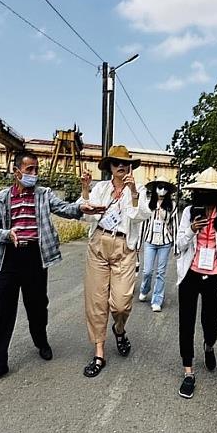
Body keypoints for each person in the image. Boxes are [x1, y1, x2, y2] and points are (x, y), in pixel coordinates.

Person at [0, 151, 104, 386]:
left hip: (35, 257)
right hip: (9, 257)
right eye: (29, 170)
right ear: (16, 172)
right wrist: (7, 235)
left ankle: (41, 340)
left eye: (36, 170)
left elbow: (65, 209)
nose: (34, 175)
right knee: (1, 312)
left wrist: (82, 209)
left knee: (37, 306)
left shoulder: (44, 195)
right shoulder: (2, 198)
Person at [80, 145, 151, 377]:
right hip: (99, 243)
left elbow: (140, 215)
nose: (121, 166)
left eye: (125, 163)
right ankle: (99, 352)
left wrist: (132, 193)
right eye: (116, 163)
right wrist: (85, 189)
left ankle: (119, 329)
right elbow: (85, 215)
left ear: (130, 166)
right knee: (96, 301)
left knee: (121, 303)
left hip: (123, 247)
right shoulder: (101, 188)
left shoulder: (139, 189)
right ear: (109, 166)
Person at [175, 168, 217, 399]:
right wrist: (192, 230)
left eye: (211, 192)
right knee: (186, 323)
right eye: (203, 191)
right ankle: (188, 372)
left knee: (210, 323)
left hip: (215, 275)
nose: (206, 195)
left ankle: (209, 346)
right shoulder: (188, 213)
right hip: (190, 273)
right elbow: (179, 246)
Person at [137, 174, 179, 312]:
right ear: (155, 189)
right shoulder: (149, 203)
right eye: (159, 187)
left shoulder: (172, 205)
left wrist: (176, 246)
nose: (162, 190)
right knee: (147, 271)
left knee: (161, 272)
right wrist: (138, 244)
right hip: (150, 240)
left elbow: (175, 225)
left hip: (165, 241)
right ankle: (145, 288)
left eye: (165, 188)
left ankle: (157, 300)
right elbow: (143, 224)